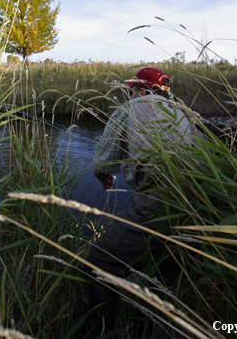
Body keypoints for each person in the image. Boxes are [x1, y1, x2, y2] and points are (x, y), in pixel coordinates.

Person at [86, 67, 197, 335]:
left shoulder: (129, 109)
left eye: (131, 89)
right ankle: (141, 328)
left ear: (143, 90)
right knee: (164, 265)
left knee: (99, 261)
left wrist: (105, 181)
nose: (129, 94)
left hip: (160, 199)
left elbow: (102, 164)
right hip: (199, 204)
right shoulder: (185, 112)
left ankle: (102, 332)